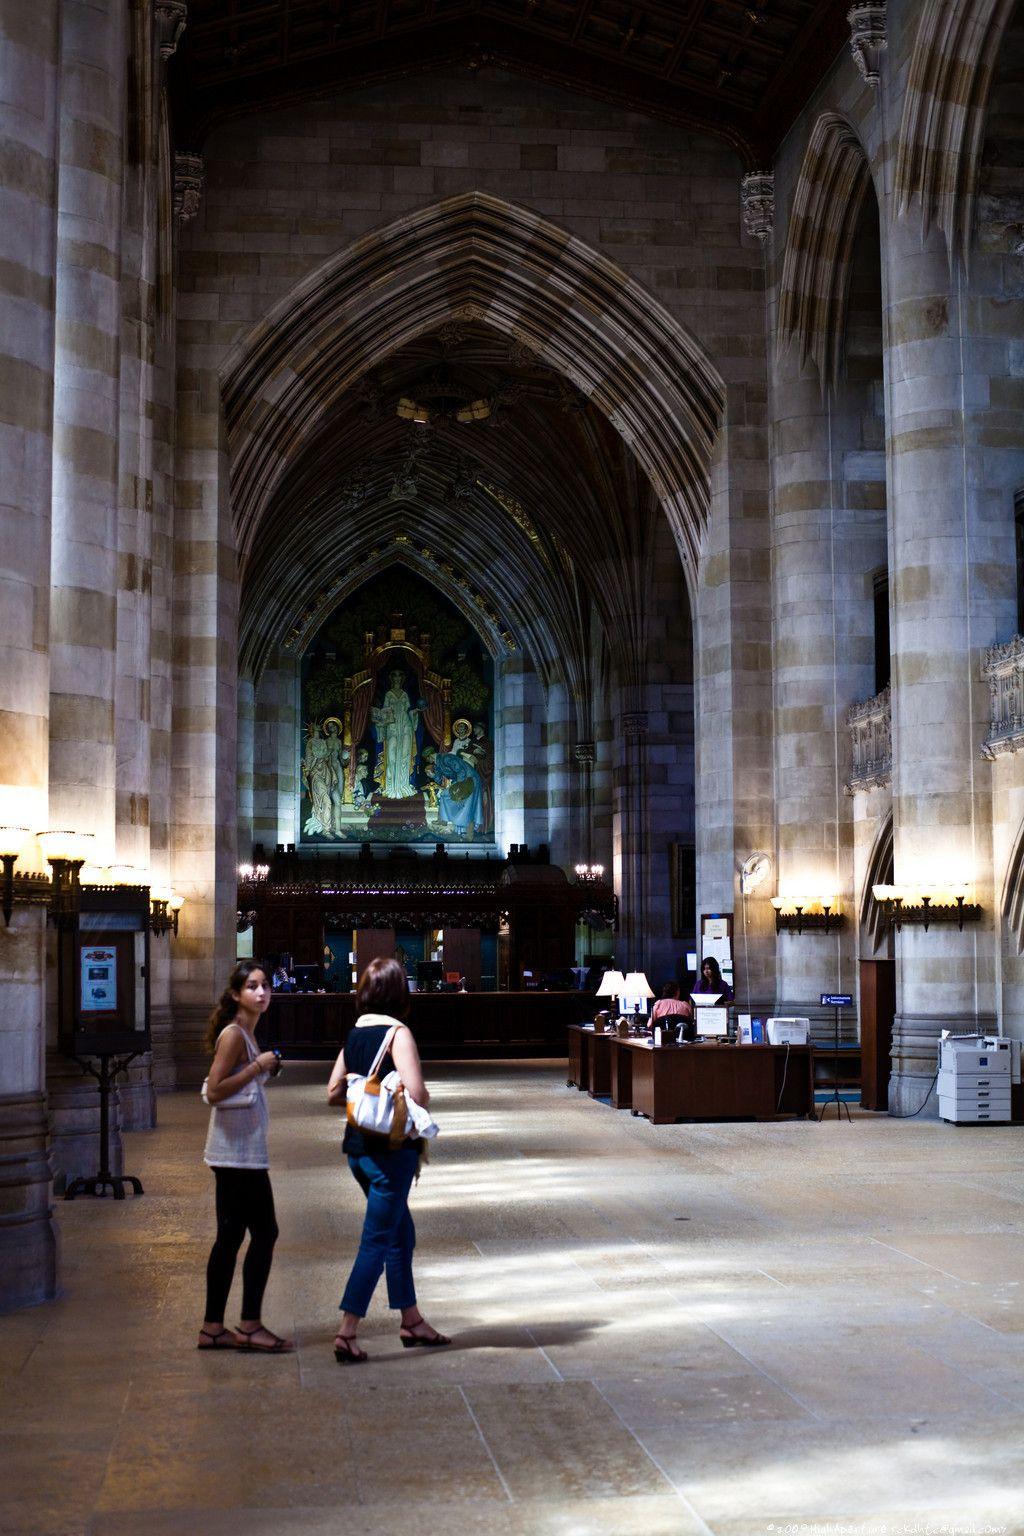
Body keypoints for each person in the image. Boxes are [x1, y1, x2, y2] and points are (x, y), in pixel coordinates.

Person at [326, 956, 449, 1362]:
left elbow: (332, 1092)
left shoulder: (354, 1034)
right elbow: (418, 1094)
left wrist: (363, 1090)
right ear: (400, 993)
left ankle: (411, 1319)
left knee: (401, 1233)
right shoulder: (398, 1033)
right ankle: (347, 1331)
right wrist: (396, 1090)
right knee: (376, 1241)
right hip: (390, 1154)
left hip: (358, 1151)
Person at [198, 959, 294, 1353]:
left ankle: (213, 1328)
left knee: (231, 1236)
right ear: (237, 994)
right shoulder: (235, 1035)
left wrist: (261, 1066)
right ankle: (250, 1325)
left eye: (266, 985)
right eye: (252, 986)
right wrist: (258, 1066)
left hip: (238, 1150)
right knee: (264, 1232)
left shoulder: (246, 1033)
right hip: (236, 1154)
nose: (262, 992)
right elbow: (215, 1090)